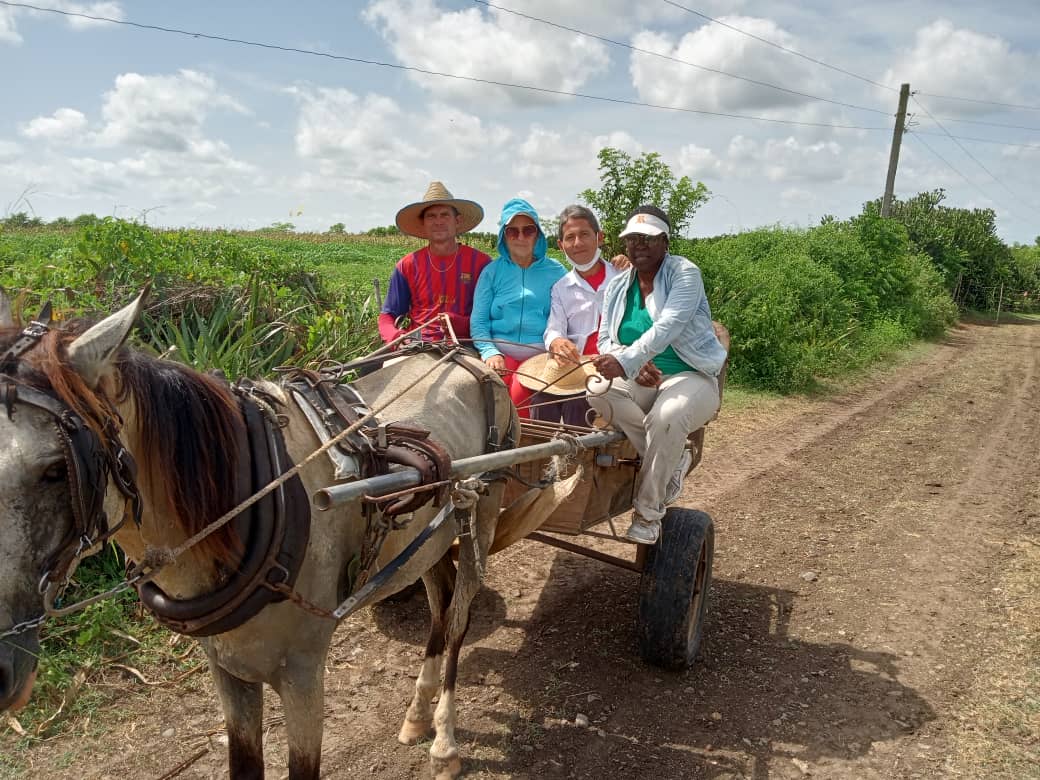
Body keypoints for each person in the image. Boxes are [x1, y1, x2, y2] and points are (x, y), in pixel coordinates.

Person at [588, 205, 728, 544]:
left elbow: (669, 326)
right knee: (596, 390)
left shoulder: (684, 273)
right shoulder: (618, 286)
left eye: (648, 239)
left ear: (665, 241)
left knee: (667, 416)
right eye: (632, 239)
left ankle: (648, 514)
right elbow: (606, 337)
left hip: (691, 375)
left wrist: (628, 361)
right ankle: (672, 455)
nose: (639, 246)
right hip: (642, 378)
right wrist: (631, 366)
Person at [517, 204, 620, 426]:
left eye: (584, 234)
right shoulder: (562, 288)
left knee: (577, 403)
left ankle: (576, 457)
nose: (578, 243)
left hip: (613, 364)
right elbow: (555, 326)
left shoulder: (622, 278)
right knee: (542, 397)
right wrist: (557, 341)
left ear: (599, 237)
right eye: (570, 237)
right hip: (576, 365)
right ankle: (541, 456)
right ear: (561, 245)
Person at [470, 198, 566, 417]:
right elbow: (479, 321)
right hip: (500, 353)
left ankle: (526, 446)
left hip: (540, 354)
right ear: (504, 236)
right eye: (513, 231)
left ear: (538, 234)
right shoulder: (491, 272)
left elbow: (574, 307)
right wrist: (489, 352)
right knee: (490, 395)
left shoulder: (557, 271)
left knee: (520, 393)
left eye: (528, 230)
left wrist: (618, 266)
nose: (520, 237)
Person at [379, 181, 490, 344]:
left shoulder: (481, 263)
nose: (438, 221)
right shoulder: (407, 265)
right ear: (423, 223)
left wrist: (459, 323)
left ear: (457, 221)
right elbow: (388, 315)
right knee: (369, 368)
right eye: (431, 216)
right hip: (416, 343)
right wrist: (397, 337)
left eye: (445, 215)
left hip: (466, 342)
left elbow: (491, 316)